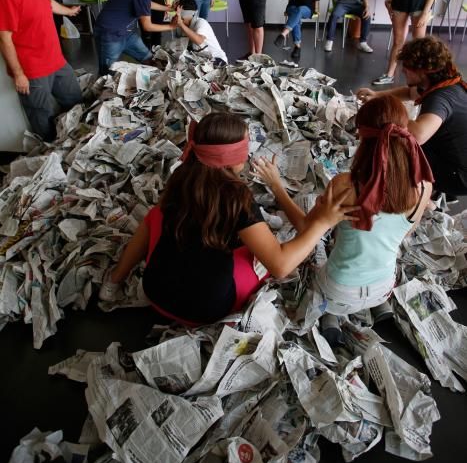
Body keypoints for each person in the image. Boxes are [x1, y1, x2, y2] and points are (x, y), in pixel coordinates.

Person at [99, 112, 356, 324]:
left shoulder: (182, 176)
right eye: (246, 143)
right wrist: (322, 223)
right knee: (265, 255)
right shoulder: (237, 198)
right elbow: (280, 267)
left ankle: (114, 281)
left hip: (154, 291)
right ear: (232, 157)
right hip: (204, 310)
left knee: (155, 216)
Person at [253, 94, 432, 317]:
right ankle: (374, 307)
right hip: (384, 286)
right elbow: (406, 232)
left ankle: (329, 317)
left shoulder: (345, 185)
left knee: (315, 248)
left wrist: (276, 186)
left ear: (361, 135)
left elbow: (305, 228)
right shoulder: (424, 185)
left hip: (338, 291)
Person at [358, 36, 467, 199]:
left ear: (423, 71)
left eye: (407, 67)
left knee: (397, 145)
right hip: (455, 157)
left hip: (459, 176)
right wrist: (377, 95)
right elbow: (410, 92)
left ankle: (421, 195)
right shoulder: (445, 82)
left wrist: (386, 113)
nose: (403, 70)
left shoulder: (440, 98)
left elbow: (418, 135)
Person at [0, 0, 82, 142]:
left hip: (56, 60)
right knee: (41, 116)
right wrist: (19, 74)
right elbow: (4, 39)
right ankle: (50, 152)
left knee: (75, 100)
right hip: (33, 71)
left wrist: (68, 11)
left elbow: (48, 2)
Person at [94, 0, 176, 76]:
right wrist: (171, 26)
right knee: (107, 74)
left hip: (127, 33)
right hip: (110, 33)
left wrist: (168, 8)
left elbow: (145, 3)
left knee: (149, 59)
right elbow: (147, 26)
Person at [174, 0, 228, 67]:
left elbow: (199, 40)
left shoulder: (201, 23)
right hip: (200, 60)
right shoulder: (181, 26)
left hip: (217, 59)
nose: (176, 15)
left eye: (178, 12)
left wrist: (181, 24)